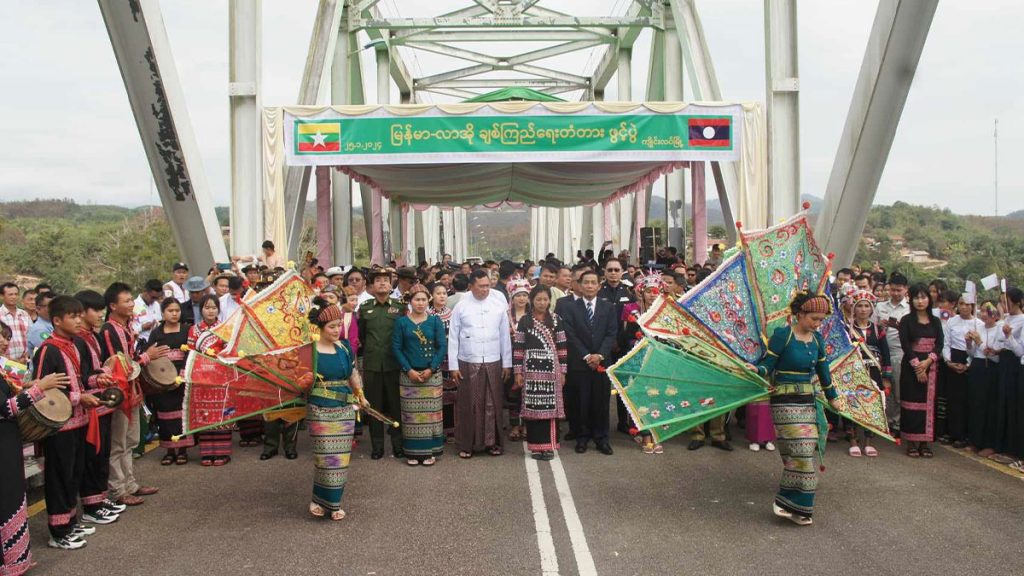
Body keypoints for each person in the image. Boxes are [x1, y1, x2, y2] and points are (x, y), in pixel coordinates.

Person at [753, 293, 841, 526]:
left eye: (821, 320)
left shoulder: (817, 340)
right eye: (814, 318)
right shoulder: (783, 335)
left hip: (807, 400)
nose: (817, 324)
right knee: (800, 451)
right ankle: (791, 504)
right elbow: (767, 364)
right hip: (784, 399)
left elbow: (824, 373)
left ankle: (794, 505)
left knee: (803, 452)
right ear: (799, 314)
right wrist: (756, 370)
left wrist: (833, 397)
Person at [32, 296, 106, 549]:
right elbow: (42, 390)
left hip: (80, 421)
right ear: (56, 320)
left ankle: (70, 521)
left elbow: (84, 376)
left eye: (79, 315)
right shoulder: (47, 350)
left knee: (74, 473)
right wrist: (78, 397)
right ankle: (58, 530)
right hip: (59, 425)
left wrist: (98, 382)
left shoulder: (76, 345)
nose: (78, 320)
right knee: (60, 476)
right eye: (72, 316)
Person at [1, 353, 68, 566]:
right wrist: (40, 389)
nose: (3, 341)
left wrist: (31, 385)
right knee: (7, 498)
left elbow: (9, 390)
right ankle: (9, 563)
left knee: (13, 497)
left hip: (8, 439)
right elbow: (5, 408)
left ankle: (17, 558)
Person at [305, 297, 368, 521]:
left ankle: (334, 503)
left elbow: (352, 373)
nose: (336, 330)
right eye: (332, 327)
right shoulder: (310, 350)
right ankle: (319, 499)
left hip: (344, 408)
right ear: (320, 328)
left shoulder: (344, 347)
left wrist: (360, 394)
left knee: (340, 459)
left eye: (339, 325)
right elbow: (300, 381)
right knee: (325, 458)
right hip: (319, 408)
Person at [100, 283, 163, 506]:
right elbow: (116, 366)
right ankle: (118, 490)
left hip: (132, 391)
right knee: (118, 443)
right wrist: (147, 357)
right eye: (126, 301)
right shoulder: (108, 330)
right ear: (112, 305)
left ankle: (130, 484)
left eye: (130, 301)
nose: (130, 305)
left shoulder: (125, 327)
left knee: (130, 440)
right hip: (120, 394)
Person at [73, 291, 126, 525]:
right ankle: (91, 505)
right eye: (95, 310)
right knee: (92, 456)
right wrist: (99, 378)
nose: (99, 314)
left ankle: (100, 498)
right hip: (90, 405)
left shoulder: (92, 336)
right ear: (81, 312)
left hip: (102, 403)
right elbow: (83, 375)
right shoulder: (79, 340)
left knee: (102, 453)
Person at [449, 269, 513, 458]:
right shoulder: (461, 305)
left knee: (492, 402)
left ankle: (493, 443)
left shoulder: (498, 301)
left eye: (487, 285)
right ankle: (467, 445)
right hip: (468, 359)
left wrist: (506, 363)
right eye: (481, 286)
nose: (486, 289)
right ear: (471, 286)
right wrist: (453, 366)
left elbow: (504, 335)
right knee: (470, 403)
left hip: (493, 359)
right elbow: (453, 337)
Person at [558, 269, 618, 455]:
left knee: (601, 401)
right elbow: (570, 334)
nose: (590, 286)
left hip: (602, 362)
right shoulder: (570, 308)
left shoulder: (608, 308)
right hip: (580, 362)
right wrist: (586, 355)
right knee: (581, 401)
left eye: (593, 282)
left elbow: (611, 333)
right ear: (579, 285)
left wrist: (599, 355)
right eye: (586, 282)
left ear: (599, 286)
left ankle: (601, 438)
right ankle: (582, 437)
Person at [391, 285, 447, 466]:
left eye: (423, 299)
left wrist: (431, 368)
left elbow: (442, 346)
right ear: (410, 301)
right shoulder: (401, 322)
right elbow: (396, 348)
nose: (420, 303)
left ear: (428, 300)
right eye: (417, 299)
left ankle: (430, 451)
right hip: (409, 376)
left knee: (431, 415)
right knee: (411, 417)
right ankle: (413, 453)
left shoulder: (435, 321)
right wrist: (409, 370)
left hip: (432, 375)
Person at [512, 285, 568, 461]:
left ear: (550, 300)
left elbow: (562, 347)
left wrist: (563, 371)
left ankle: (549, 446)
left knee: (550, 410)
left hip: (552, 371)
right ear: (532, 301)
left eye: (545, 299)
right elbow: (519, 347)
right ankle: (535, 446)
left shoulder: (557, 320)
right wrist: (517, 372)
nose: (542, 303)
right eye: (538, 299)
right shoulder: (525, 321)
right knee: (533, 410)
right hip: (530, 372)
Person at [357, 270, 406, 460]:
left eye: (386, 280)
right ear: (371, 286)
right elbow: (361, 336)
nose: (383, 284)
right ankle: (377, 447)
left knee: (396, 407)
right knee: (374, 407)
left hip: (394, 363)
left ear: (391, 284)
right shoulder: (365, 307)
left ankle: (398, 445)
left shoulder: (400, 307)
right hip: (372, 365)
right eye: (378, 281)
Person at [618, 271, 665, 454]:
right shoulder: (631, 310)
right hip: (637, 360)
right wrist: (637, 336)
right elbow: (623, 337)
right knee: (640, 396)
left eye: (656, 291)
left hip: (659, 360)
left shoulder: (665, 311)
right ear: (641, 292)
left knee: (657, 396)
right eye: (649, 291)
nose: (653, 294)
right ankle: (645, 434)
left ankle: (656, 433)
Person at [898, 283, 944, 458]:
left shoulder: (936, 321)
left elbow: (939, 344)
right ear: (911, 299)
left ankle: (925, 443)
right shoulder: (906, 320)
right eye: (916, 297)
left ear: (929, 299)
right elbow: (905, 345)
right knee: (911, 403)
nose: (920, 301)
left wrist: (928, 362)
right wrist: (918, 366)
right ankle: (910, 442)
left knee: (928, 405)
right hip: (911, 366)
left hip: (931, 367)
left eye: (923, 297)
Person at [146, 298, 194, 466]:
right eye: (170, 311)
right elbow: (150, 355)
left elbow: (191, 353)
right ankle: (169, 450)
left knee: (181, 414)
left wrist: (181, 375)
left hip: (181, 377)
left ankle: (182, 450)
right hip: (161, 379)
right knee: (164, 415)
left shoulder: (188, 330)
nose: (174, 314)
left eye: (177, 310)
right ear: (163, 313)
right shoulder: (156, 333)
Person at [187, 295, 233, 466]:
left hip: (220, 376)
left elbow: (230, 351)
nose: (211, 310)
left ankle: (222, 452)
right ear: (201, 310)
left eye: (214, 307)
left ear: (218, 309)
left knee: (221, 414)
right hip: (201, 378)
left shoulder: (224, 328)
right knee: (205, 415)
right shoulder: (194, 330)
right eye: (207, 307)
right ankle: (207, 453)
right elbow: (190, 353)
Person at [846, 290, 890, 457]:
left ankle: (868, 442)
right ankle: (852, 441)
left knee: (872, 405)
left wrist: (887, 377)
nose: (863, 309)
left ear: (871, 309)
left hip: (874, 372)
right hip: (853, 372)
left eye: (866, 306)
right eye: (859, 306)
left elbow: (885, 353)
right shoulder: (847, 328)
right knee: (853, 404)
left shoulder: (878, 329)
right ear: (854, 308)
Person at [942, 293, 982, 449]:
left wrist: (968, 364)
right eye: (961, 303)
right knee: (952, 399)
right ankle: (951, 432)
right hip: (953, 359)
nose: (964, 307)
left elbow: (978, 348)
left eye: (968, 304)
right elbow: (946, 343)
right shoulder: (951, 321)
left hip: (969, 360)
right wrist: (949, 361)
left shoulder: (978, 323)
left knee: (966, 400)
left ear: (973, 306)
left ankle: (964, 435)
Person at [876, 272, 910, 432]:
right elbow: (870, 327)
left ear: (906, 290)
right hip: (880, 353)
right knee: (881, 388)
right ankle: (882, 420)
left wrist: (899, 327)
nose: (896, 293)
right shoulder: (880, 306)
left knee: (897, 390)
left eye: (899, 290)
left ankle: (895, 422)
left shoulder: (910, 310)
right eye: (893, 290)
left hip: (899, 353)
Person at [967, 302, 1002, 455]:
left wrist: (979, 342)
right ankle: (975, 440)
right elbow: (972, 353)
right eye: (981, 311)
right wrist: (969, 342)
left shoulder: (1000, 330)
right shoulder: (978, 328)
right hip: (978, 367)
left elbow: (994, 356)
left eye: (987, 312)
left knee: (990, 407)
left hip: (991, 370)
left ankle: (989, 443)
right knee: (976, 405)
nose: (983, 315)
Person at [994, 288, 1023, 458]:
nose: (1004, 305)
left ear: (1017, 302)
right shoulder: (1005, 319)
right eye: (1002, 301)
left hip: (1014, 365)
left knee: (1012, 405)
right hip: (1002, 362)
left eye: (1007, 301)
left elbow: (1020, 351)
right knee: (1001, 403)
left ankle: (1013, 448)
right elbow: (1000, 344)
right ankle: (1001, 445)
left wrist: (1009, 336)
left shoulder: (1022, 320)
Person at [427, 282, 456, 440]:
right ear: (432, 296)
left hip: (449, 359)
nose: (442, 296)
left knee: (450, 395)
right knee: (435, 395)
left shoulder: (452, 313)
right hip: (433, 359)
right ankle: (436, 430)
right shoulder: (427, 314)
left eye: (444, 293)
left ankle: (450, 429)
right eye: (438, 293)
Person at [506, 279, 532, 442]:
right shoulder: (506, 315)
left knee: (528, 393)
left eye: (524, 295)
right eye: (518, 295)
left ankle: (528, 424)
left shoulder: (532, 315)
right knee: (513, 393)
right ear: (512, 298)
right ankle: (515, 425)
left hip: (529, 359)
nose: (521, 299)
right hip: (511, 358)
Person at [0, 284, 31, 364]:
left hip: (25, 361)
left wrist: (26, 356)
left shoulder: (25, 314)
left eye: (16, 294)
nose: (14, 297)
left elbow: (31, 336)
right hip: (4, 362)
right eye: (10, 294)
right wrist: (9, 360)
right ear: (2, 296)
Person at [132, 280, 164, 344]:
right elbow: (128, 329)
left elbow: (159, 321)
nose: (154, 300)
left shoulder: (156, 305)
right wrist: (142, 327)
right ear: (145, 291)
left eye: (157, 298)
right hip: (139, 344)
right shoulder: (133, 305)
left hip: (155, 343)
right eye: (153, 297)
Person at [25, 291, 54, 359]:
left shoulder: (54, 325)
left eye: (56, 305)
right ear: (38, 309)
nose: (54, 309)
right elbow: (50, 353)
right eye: (50, 306)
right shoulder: (39, 330)